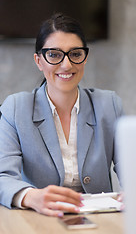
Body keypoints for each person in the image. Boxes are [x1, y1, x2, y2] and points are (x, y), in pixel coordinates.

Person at [0, 13, 123, 217]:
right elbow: (2, 176)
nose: (66, 65)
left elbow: (132, 169)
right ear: (39, 61)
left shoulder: (109, 105)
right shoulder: (16, 108)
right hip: (38, 219)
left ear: (85, 57)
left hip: (102, 218)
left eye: (75, 54)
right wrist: (31, 196)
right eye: (54, 55)